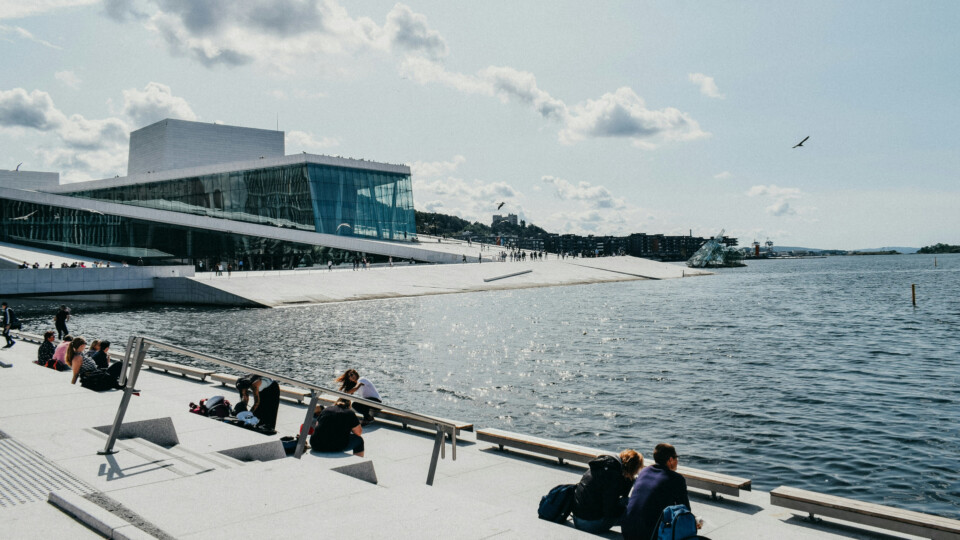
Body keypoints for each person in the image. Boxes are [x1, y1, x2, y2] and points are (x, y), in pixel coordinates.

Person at [622, 443, 701, 540]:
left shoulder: (644, 471)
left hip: (626, 531)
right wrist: (695, 521)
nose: (677, 461)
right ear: (670, 460)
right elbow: (685, 511)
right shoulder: (677, 479)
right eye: (676, 458)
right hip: (648, 536)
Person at [571, 449, 643, 534]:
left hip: (576, 517)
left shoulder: (601, 465)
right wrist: (626, 512)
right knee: (633, 506)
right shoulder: (613, 477)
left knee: (626, 501)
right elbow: (609, 511)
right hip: (589, 524)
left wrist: (627, 481)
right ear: (632, 469)